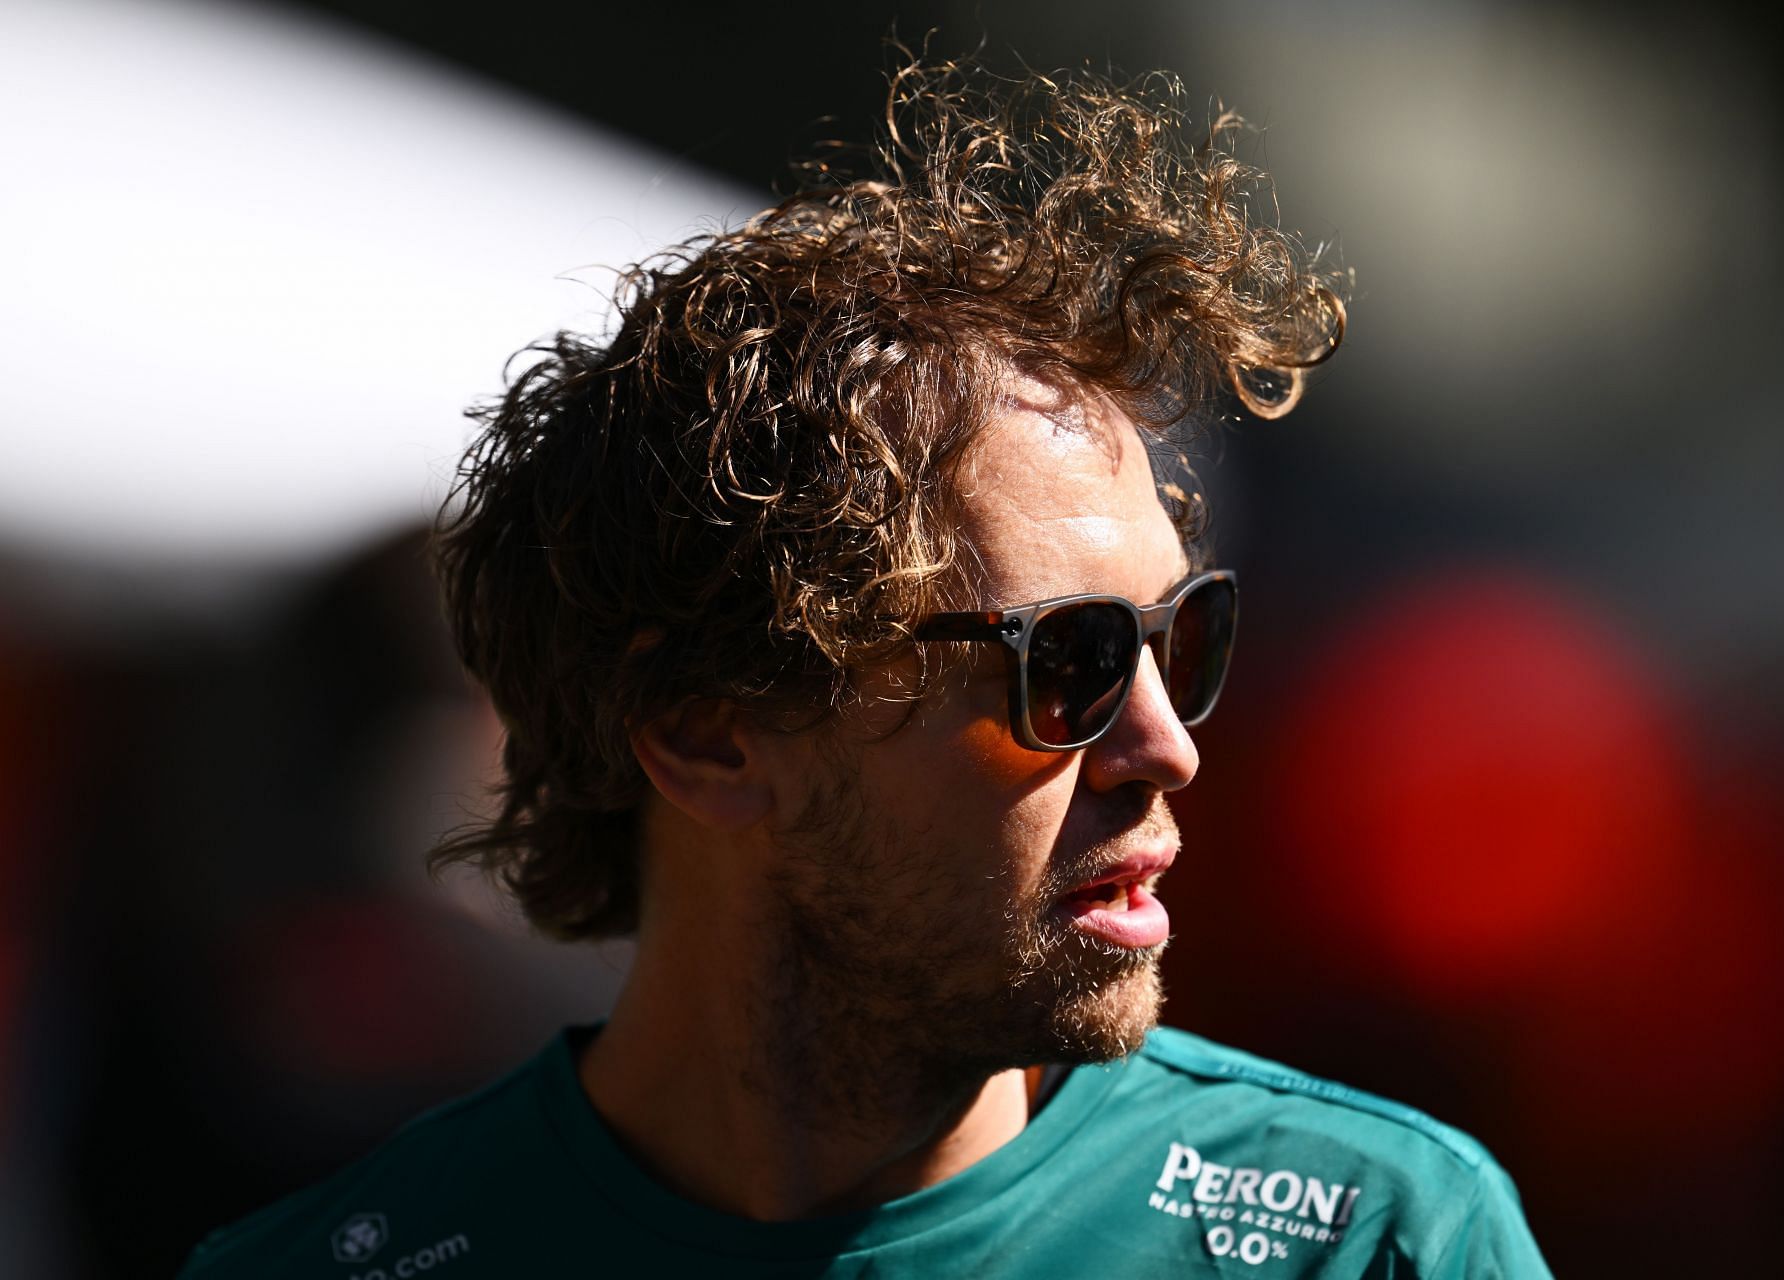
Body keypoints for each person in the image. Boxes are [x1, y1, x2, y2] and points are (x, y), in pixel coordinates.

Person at [179, 51, 1551, 1279]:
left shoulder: (1373, 1238)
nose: (1168, 744)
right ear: (712, 734)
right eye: (1063, 659)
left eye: (1180, 638)